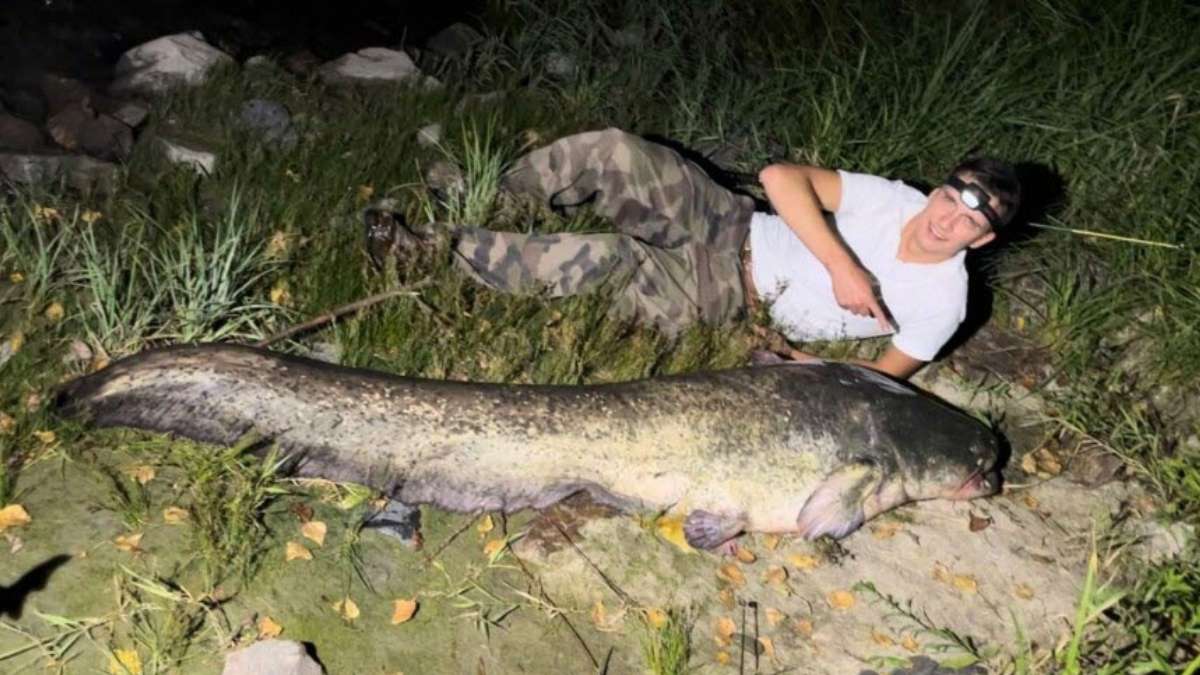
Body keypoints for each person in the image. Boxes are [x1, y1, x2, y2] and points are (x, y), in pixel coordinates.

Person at [364, 127, 1021, 380]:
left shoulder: (943, 302)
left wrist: (805, 361)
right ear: (937, 189)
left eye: (970, 221)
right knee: (617, 150)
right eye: (950, 199)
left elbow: (881, 380)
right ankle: (488, 200)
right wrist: (843, 266)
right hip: (732, 222)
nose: (946, 221)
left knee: (612, 259)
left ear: (982, 239)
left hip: (730, 296)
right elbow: (778, 178)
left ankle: (431, 254)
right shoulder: (894, 200)